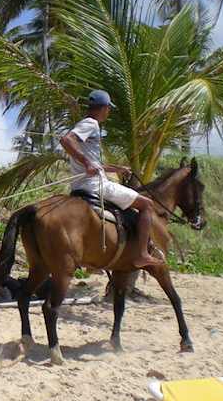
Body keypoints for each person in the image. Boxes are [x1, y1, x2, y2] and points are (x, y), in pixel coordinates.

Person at [59, 90, 163, 269]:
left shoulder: (90, 126)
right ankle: (142, 254)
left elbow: (95, 164)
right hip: (95, 186)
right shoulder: (90, 123)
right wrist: (86, 163)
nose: (109, 112)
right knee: (146, 204)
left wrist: (117, 168)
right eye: (108, 109)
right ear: (104, 108)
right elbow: (66, 140)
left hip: (84, 184)